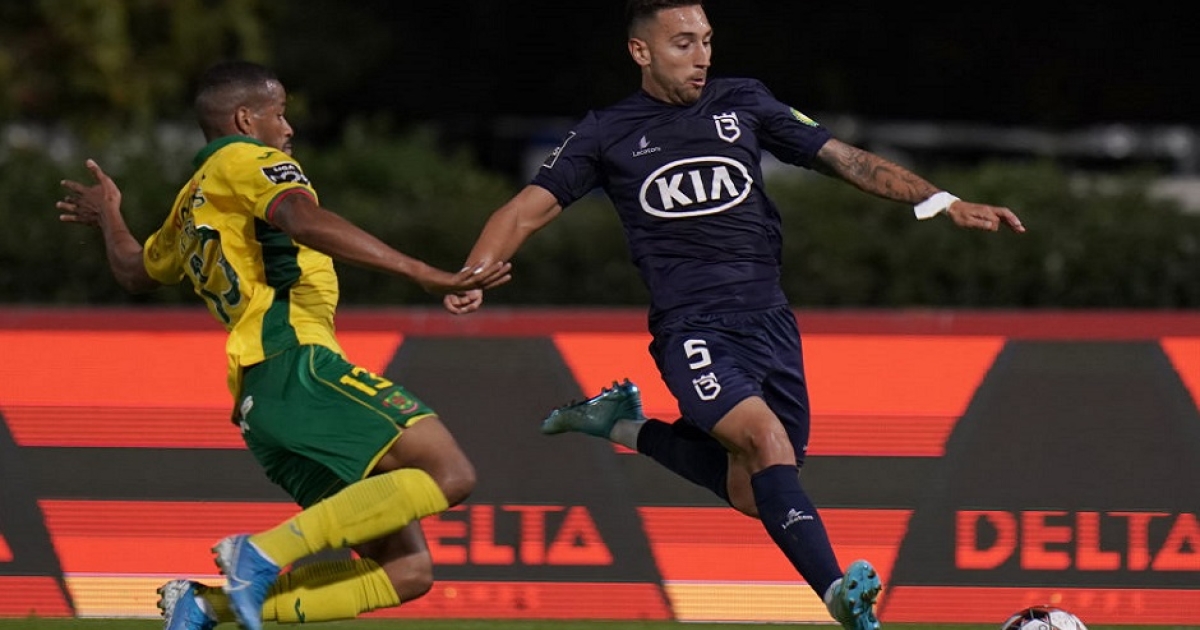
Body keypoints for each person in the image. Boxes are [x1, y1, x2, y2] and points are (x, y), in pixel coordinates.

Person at [444, 2, 1025, 629]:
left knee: (754, 491)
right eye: (683, 43)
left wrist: (942, 200)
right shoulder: (605, 133)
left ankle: (620, 425)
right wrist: (473, 274)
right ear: (641, 52)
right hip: (692, 329)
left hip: (770, 323)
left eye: (707, 41)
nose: (702, 57)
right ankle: (839, 595)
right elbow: (523, 211)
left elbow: (846, 159)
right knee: (765, 443)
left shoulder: (743, 101)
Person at [56, 60, 511, 630]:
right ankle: (260, 552)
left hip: (261, 401)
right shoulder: (248, 160)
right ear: (246, 120)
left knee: (407, 571)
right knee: (451, 472)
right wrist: (422, 271)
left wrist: (109, 217)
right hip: (297, 363)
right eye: (280, 113)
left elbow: (133, 270)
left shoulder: (191, 203)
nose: (288, 128)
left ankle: (204, 606)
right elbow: (300, 218)